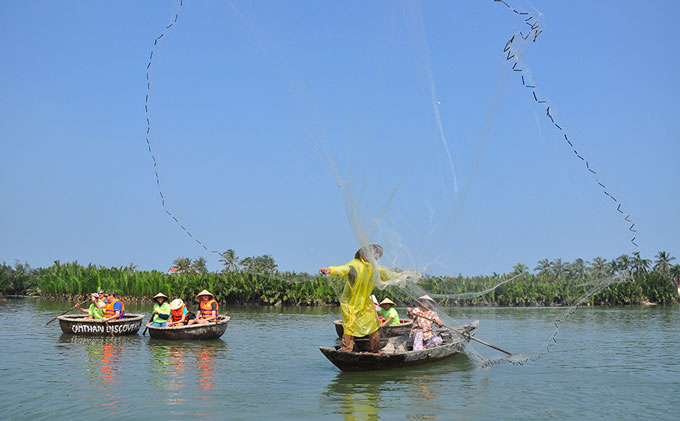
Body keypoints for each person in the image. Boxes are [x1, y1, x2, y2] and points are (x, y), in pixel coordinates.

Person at [320, 244, 398, 353]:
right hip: (350, 303)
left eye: (375, 254)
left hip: (365, 303)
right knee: (349, 326)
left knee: (374, 324)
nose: (374, 256)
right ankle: (347, 350)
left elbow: (388, 274)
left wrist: (402, 276)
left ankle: (374, 350)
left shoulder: (374, 268)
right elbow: (344, 269)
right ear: (363, 254)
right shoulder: (355, 265)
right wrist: (331, 270)